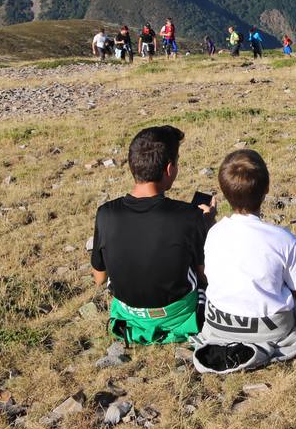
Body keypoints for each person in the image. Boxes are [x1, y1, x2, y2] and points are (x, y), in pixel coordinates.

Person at [192, 149, 296, 371]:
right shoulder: (282, 239)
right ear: (267, 189)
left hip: (220, 326)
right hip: (270, 330)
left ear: (223, 192)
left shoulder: (214, 233)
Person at [90, 125, 217, 344]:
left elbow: (99, 278)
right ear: (169, 169)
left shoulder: (106, 213)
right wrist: (207, 226)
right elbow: (207, 276)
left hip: (128, 316)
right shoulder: (189, 217)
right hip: (177, 317)